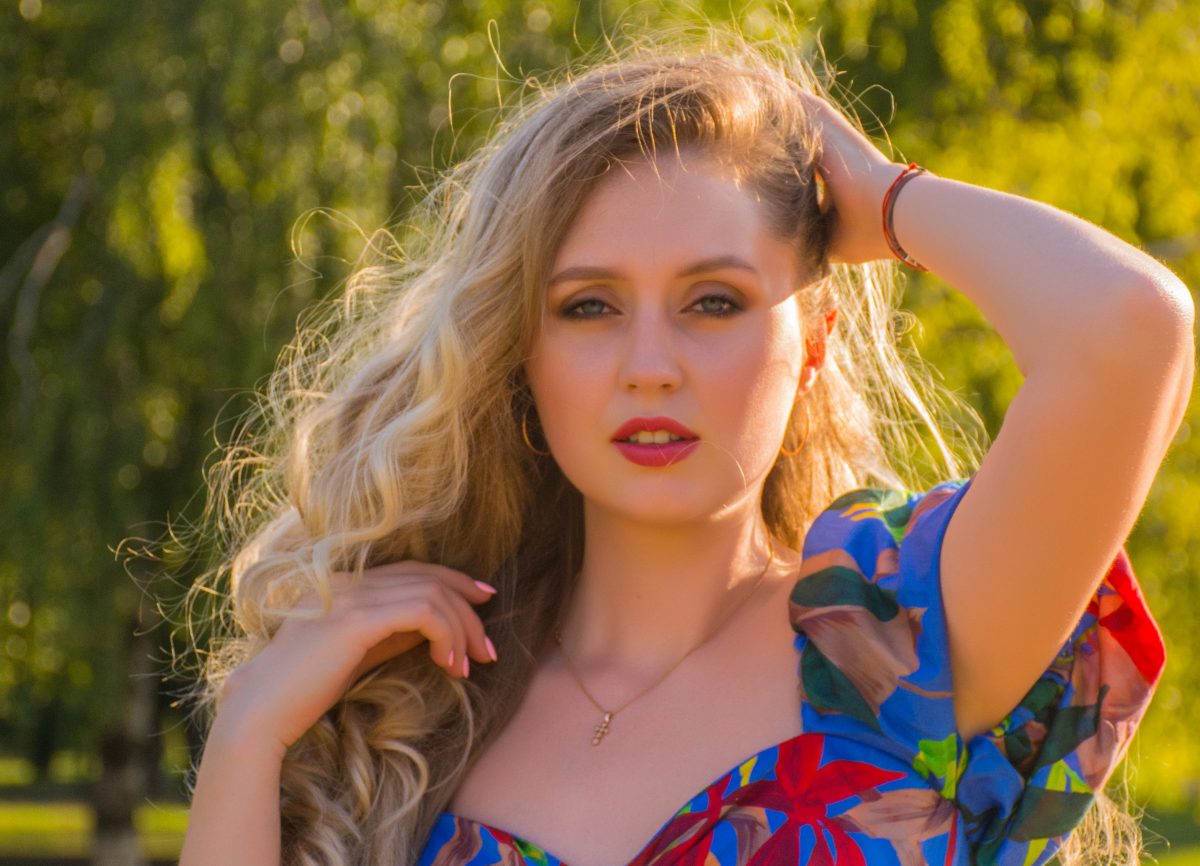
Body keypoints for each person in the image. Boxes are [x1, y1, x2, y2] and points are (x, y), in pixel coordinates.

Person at [175, 23, 1192, 866]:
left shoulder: (896, 632)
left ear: (813, 345)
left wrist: (884, 196)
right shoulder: (410, 704)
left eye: (715, 301)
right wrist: (251, 728)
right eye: (589, 306)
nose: (650, 366)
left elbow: (1131, 330)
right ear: (519, 353)